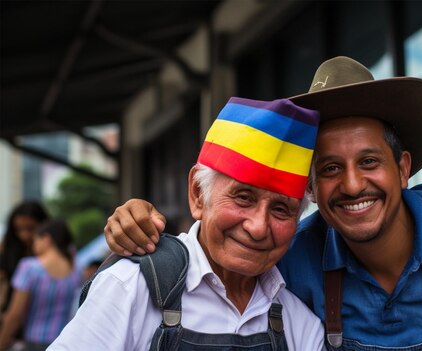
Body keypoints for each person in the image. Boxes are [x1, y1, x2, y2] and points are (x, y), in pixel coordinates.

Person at [105, 56, 422, 350]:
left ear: (403, 168)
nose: (351, 184)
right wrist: (139, 222)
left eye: (369, 162)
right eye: (328, 169)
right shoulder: (292, 257)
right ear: (311, 190)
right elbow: (218, 256)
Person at [49, 97, 325, 350]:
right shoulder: (130, 289)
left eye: (280, 210)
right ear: (197, 193)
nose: (258, 227)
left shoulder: (300, 325)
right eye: (243, 198)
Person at [0, 220, 81, 351]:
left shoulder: (29, 267)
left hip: (35, 341)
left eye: (35, 241)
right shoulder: (75, 269)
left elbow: (15, 314)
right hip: (64, 340)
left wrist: (2, 342)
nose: (33, 246)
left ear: (46, 239)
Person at [0, 202, 49, 319]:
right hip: (9, 316)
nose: (24, 235)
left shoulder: (52, 254)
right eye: (19, 229)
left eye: (30, 228)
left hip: (38, 318)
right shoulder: (7, 248)